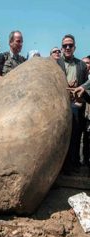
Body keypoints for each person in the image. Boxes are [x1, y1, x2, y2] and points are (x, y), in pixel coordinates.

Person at [57, 35, 89, 172]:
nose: (68, 48)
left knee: (75, 135)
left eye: (70, 45)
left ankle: (74, 164)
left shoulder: (81, 65)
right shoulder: (55, 64)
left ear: (75, 47)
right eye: (65, 46)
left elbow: (87, 83)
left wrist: (81, 88)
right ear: (61, 48)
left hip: (76, 106)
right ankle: (61, 167)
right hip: (59, 106)